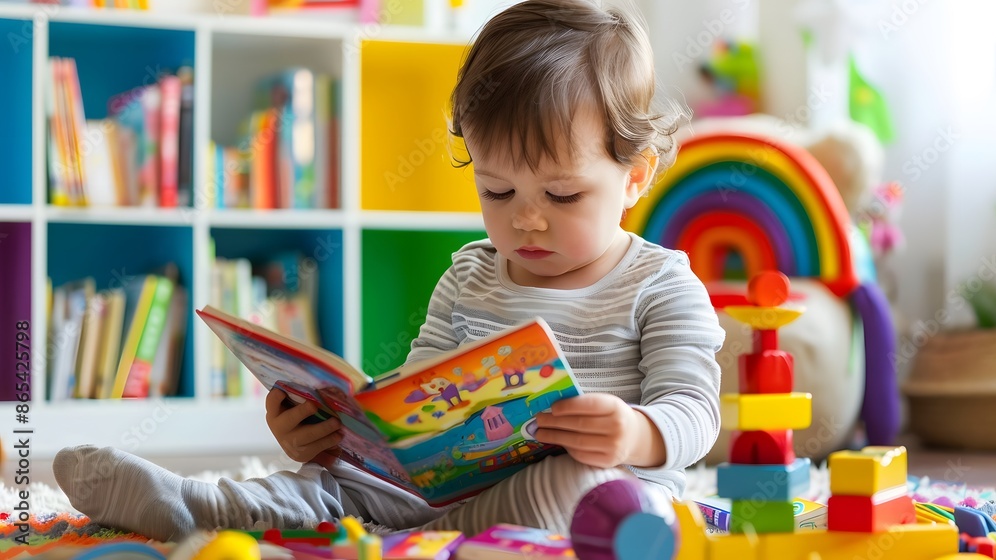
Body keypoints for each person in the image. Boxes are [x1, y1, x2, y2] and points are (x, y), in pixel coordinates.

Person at [53, 0, 725, 542]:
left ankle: (398, 532)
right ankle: (204, 504)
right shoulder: (470, 276)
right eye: (497, 192)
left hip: (589, 497)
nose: (527, 221)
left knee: (588, 486)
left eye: (562, 195)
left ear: (634, 177)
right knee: (335, 483)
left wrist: (640, 432)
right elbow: (413, 395)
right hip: (443, 488)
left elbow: (697, 412)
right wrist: (333, 434)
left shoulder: (661, 284)